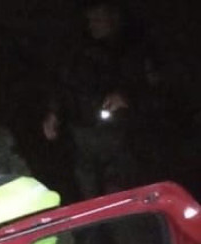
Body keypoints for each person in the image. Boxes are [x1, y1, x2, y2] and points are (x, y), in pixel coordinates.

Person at [42, 0, 159, 199]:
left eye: (98, 20)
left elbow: (154, 88)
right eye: (90, 20)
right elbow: (63, 83)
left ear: (114, 19)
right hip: (81, 132)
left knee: (117, 189)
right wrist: (53, 113)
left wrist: (127, 97)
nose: (92, 25)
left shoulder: (133, 49)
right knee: (87, 187)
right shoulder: (79, 49)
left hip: (116, 134)